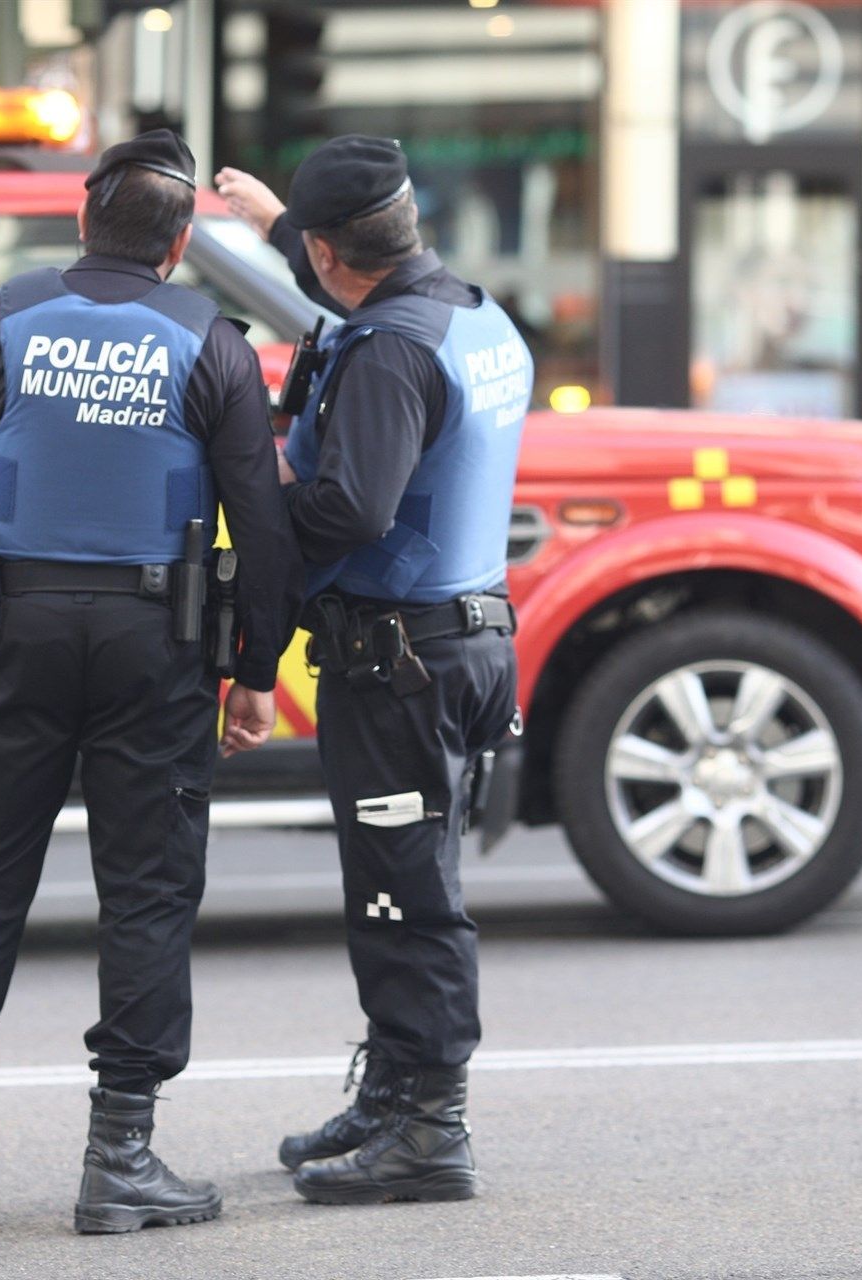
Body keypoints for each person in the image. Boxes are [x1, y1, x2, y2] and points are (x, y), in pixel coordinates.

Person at [0, 129, 300, 1237]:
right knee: (148, 889)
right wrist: (252, 669)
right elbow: (261, 521)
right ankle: (120, 1157)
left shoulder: (1, 322)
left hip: (12, 628)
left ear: (81, 222)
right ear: (178, 245)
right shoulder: (210, 344)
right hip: (153, 640)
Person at [216, 136, 531, 1204]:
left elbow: (350, 507)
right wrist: (271, 228)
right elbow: (354, 295)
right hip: (463, 642)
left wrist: (254, 523)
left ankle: (430, 1128)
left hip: (401, 658)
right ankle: (397, 1093)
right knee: (402, 887)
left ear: (327, 250)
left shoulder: (388, 353)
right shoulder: (471, 316)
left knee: (408, 898)